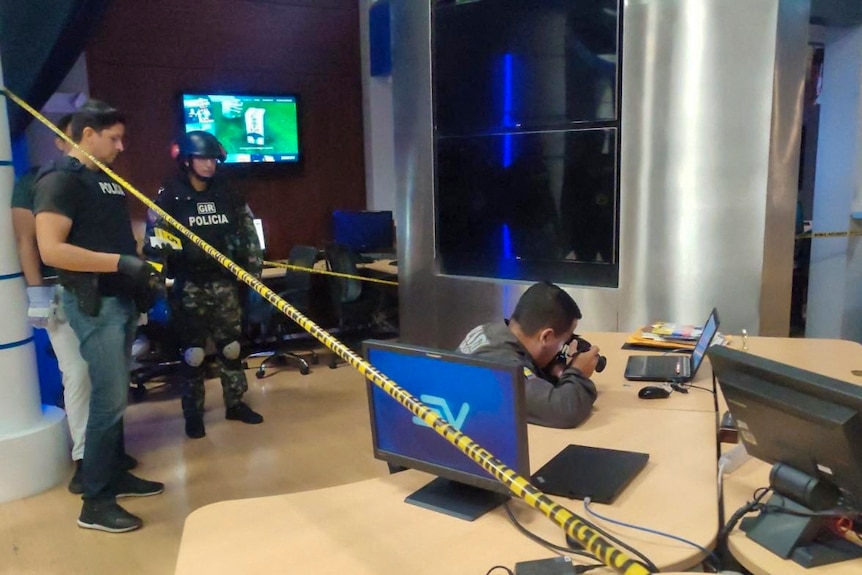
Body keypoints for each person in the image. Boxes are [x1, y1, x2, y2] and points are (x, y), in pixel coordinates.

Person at [33, 100, 165, 533]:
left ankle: (113, 474)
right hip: (95, 302)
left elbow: (116, 237)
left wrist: (141, 264)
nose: (121, 146)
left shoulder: (103, 180)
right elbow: (51, 249)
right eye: (113, 138)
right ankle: (94, 501)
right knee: (106, 403)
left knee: (116, 398)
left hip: (120, 299)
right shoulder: (59, 180)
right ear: (86, 135)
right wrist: (119, 264)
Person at [144, 130, 263, 439]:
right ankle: (193, 413)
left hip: (224, 284)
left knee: (232, 348)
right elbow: (156, 244)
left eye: (213, 159)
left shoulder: (228, 193)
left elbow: (248, 235)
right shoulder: (170, 196)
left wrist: (253, 273)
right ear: (187, 161)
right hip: (189, 285)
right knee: (193, 354)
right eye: (202, 158)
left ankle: (235, 403)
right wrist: (155, 287)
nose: (210, 165)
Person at [456, 281, 600, 428]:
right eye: (563, 342)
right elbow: (563, 411)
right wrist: (578, 373)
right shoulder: (504, 367)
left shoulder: (491, 332)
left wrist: (550, 371)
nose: (562, 348)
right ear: (545, 337)